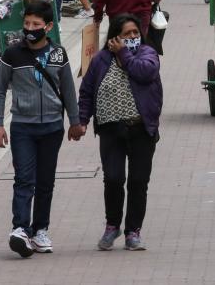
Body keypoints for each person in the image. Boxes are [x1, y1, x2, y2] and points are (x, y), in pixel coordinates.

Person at [0, 1, 84, 258]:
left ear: (49, 26)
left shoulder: (58, 54)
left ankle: (40, 229)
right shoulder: (12, 54)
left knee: (46, 182)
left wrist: (75, 122)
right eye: (27, 24)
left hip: (53, 128)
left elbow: (68, 91)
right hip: (22, 127)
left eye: (36, 24)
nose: (30, 29)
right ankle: (20, 228)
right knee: (24, 178)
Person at [78, 14, 162, 252]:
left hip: (141, 129)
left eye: (135, 33)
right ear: (114, 37)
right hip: (111, 130)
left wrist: (124, 53)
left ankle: (133, 231)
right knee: (113, 178)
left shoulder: (147, 54)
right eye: (127, 34)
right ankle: (112, 225)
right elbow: (86, 92)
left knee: (138, 181)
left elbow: (144, 73)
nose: (133, 38)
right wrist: (82, 120)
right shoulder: (100, 60)